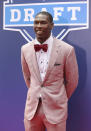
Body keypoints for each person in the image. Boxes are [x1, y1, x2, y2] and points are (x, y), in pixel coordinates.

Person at [21, 11, 79, 131]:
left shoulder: (67, 50)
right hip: (32, 111)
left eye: (43, 23)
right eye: (36, 22)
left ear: (51, 25)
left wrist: (59, 97)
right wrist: (36, 91)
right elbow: (28, 77)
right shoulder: (25, 49)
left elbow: (72, 80)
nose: (38, 26)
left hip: (56, 110)